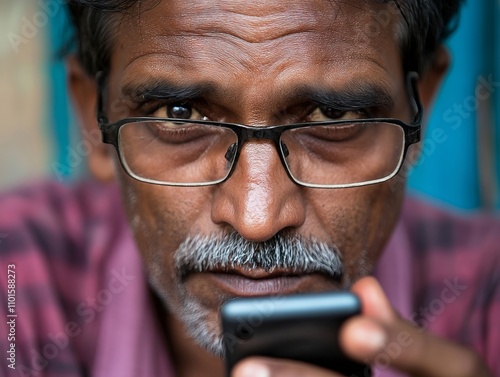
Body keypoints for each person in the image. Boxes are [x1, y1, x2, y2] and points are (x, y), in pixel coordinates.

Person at [1, 0, 498, 376]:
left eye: (334, 116)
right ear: (94, 118)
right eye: (181, 115)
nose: (256, 217)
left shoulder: (486, 298)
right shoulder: (15, 281)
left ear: (421, 108)